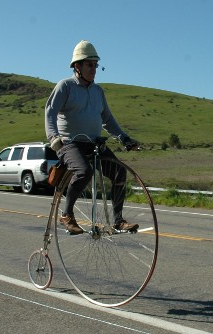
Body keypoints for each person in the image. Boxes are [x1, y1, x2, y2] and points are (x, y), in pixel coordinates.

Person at [45, 40, 139, 235]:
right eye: (90, 64)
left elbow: (108, 120)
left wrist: (124, 138)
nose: (94, 69)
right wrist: (54, 138)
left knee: (119, 172)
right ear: (77, 66)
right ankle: (67, 215)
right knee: (83, 171)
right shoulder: (65, 86)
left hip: (93, 143)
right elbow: (50, 112)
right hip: (70, 143)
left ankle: (118, 220)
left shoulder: (98, 91)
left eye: (96, 65)